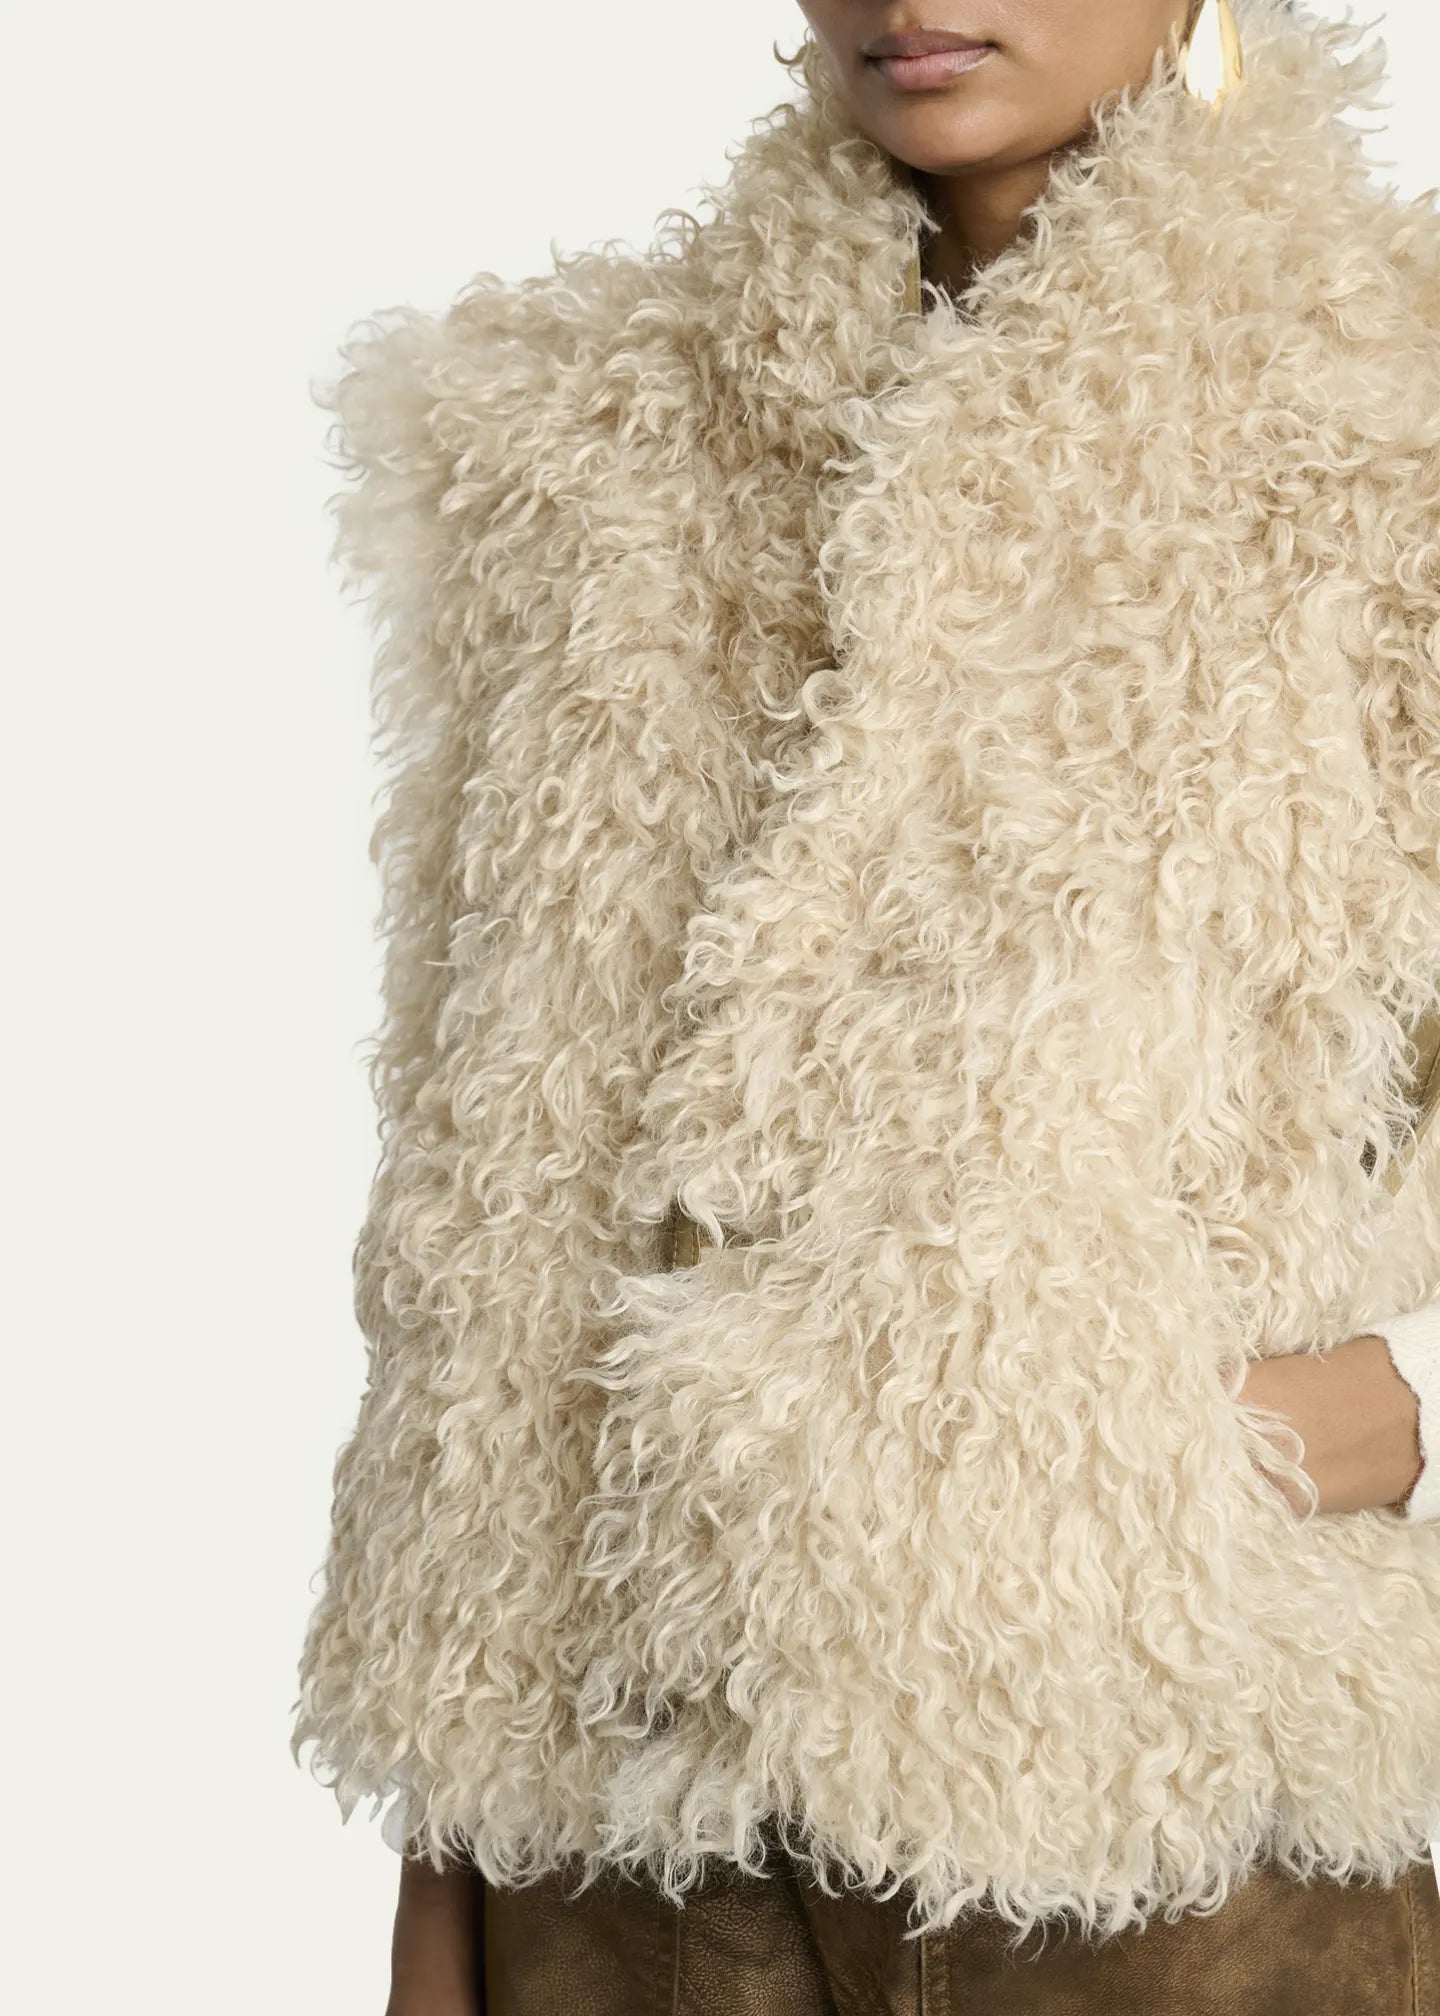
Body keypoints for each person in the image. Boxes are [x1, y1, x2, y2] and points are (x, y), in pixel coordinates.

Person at [291, 2, 1440, 2008]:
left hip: (1163, 1808)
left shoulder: (1388, 413)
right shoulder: (580, 440)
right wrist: (447, 1837)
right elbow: (492, 1198)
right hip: (628, 1837)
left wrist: (1258, 1424)